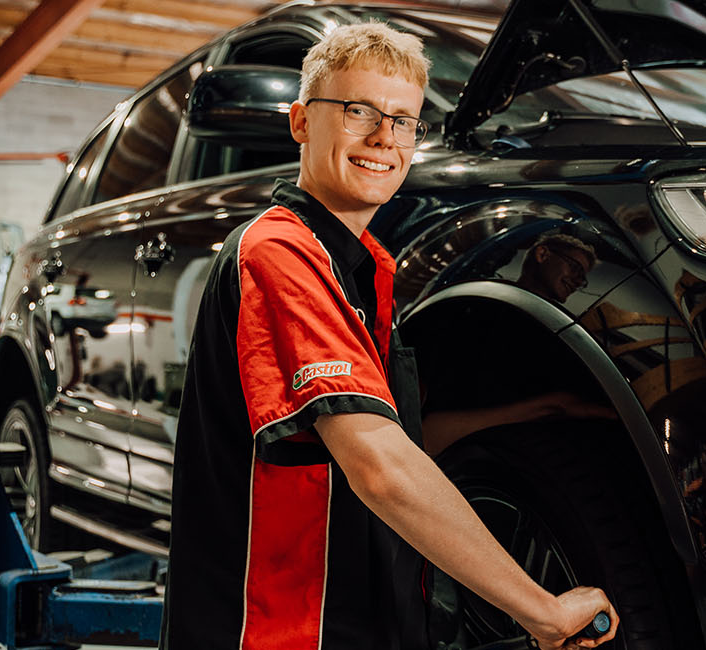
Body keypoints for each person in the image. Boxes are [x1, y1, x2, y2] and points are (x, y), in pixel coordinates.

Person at [159, 22, 618, 650]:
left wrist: (540, 409)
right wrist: (540, 609)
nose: (383, 137)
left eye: (403, 121)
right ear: (299, 122)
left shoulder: (366, 265)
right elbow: (378, 464)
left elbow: (403, 441)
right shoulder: (279, 253)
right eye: (357, 111)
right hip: (281, 632)